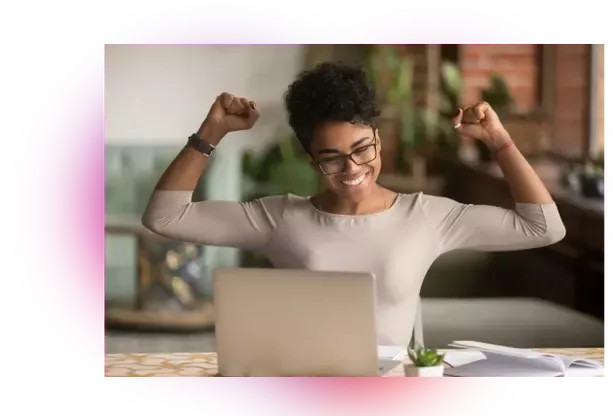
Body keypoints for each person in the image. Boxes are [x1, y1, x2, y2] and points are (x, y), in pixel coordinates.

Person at [142, 62, 566, 347]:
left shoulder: (428, 216)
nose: (352, 168)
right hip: (304, 395)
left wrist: (499, 140)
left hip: (393, 400)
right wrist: (210, 132)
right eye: (331, 158)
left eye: (363, 148)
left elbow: (544, 227)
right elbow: (164, 216)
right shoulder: (280, 218)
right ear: (312, 160)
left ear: (379, 140)